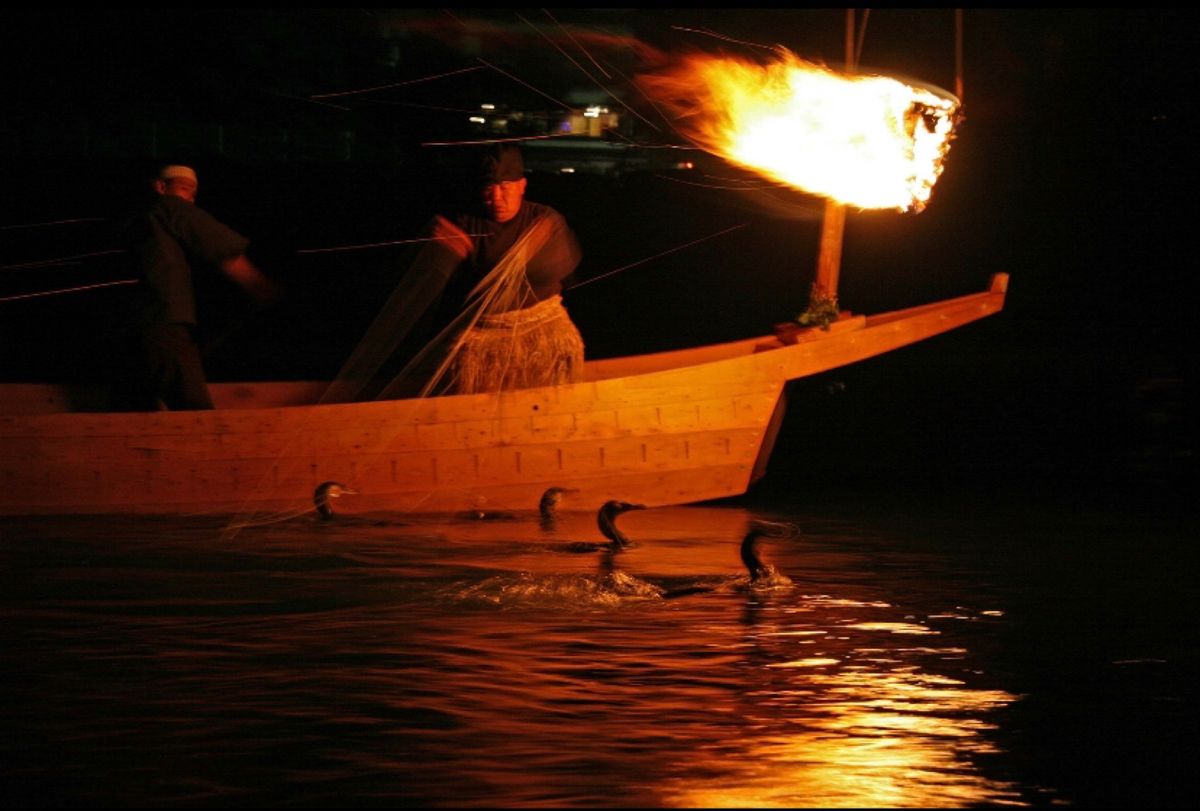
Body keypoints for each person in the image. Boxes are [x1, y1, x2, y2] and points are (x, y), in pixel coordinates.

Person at [426, 143, 585, 395]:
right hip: (484, 336)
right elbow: (438, 286)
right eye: (489, 189)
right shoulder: (466, 225)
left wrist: (529, 253)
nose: (496, 198)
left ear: (522, 186)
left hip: (542, 330)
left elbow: (558, 270)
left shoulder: (545, 221)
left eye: (505, 188)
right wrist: (435, 251)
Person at [122, 164, 278, 410]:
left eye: (193, 194)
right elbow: (213, 241)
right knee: (195, 409)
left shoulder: (137, 222)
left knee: (134, 407)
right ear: (161, 187)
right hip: (163, 322)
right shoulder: (166, 206)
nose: (189, 200)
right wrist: (256, 284)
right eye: (184, 189)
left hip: (134, 326)